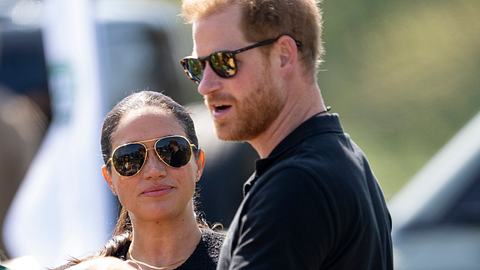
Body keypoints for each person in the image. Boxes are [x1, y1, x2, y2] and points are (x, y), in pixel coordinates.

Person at [179, 1, 393, 269]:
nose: (205, 86)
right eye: (197, 67)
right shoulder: (343, 159)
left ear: (283, 55)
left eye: (224, 62)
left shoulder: (297, 185)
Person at [55, 91, 224, 270]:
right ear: (109, 178)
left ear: (198, 163)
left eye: (171, 150)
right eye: (130, 158)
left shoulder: (245, 258)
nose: (154, 171)